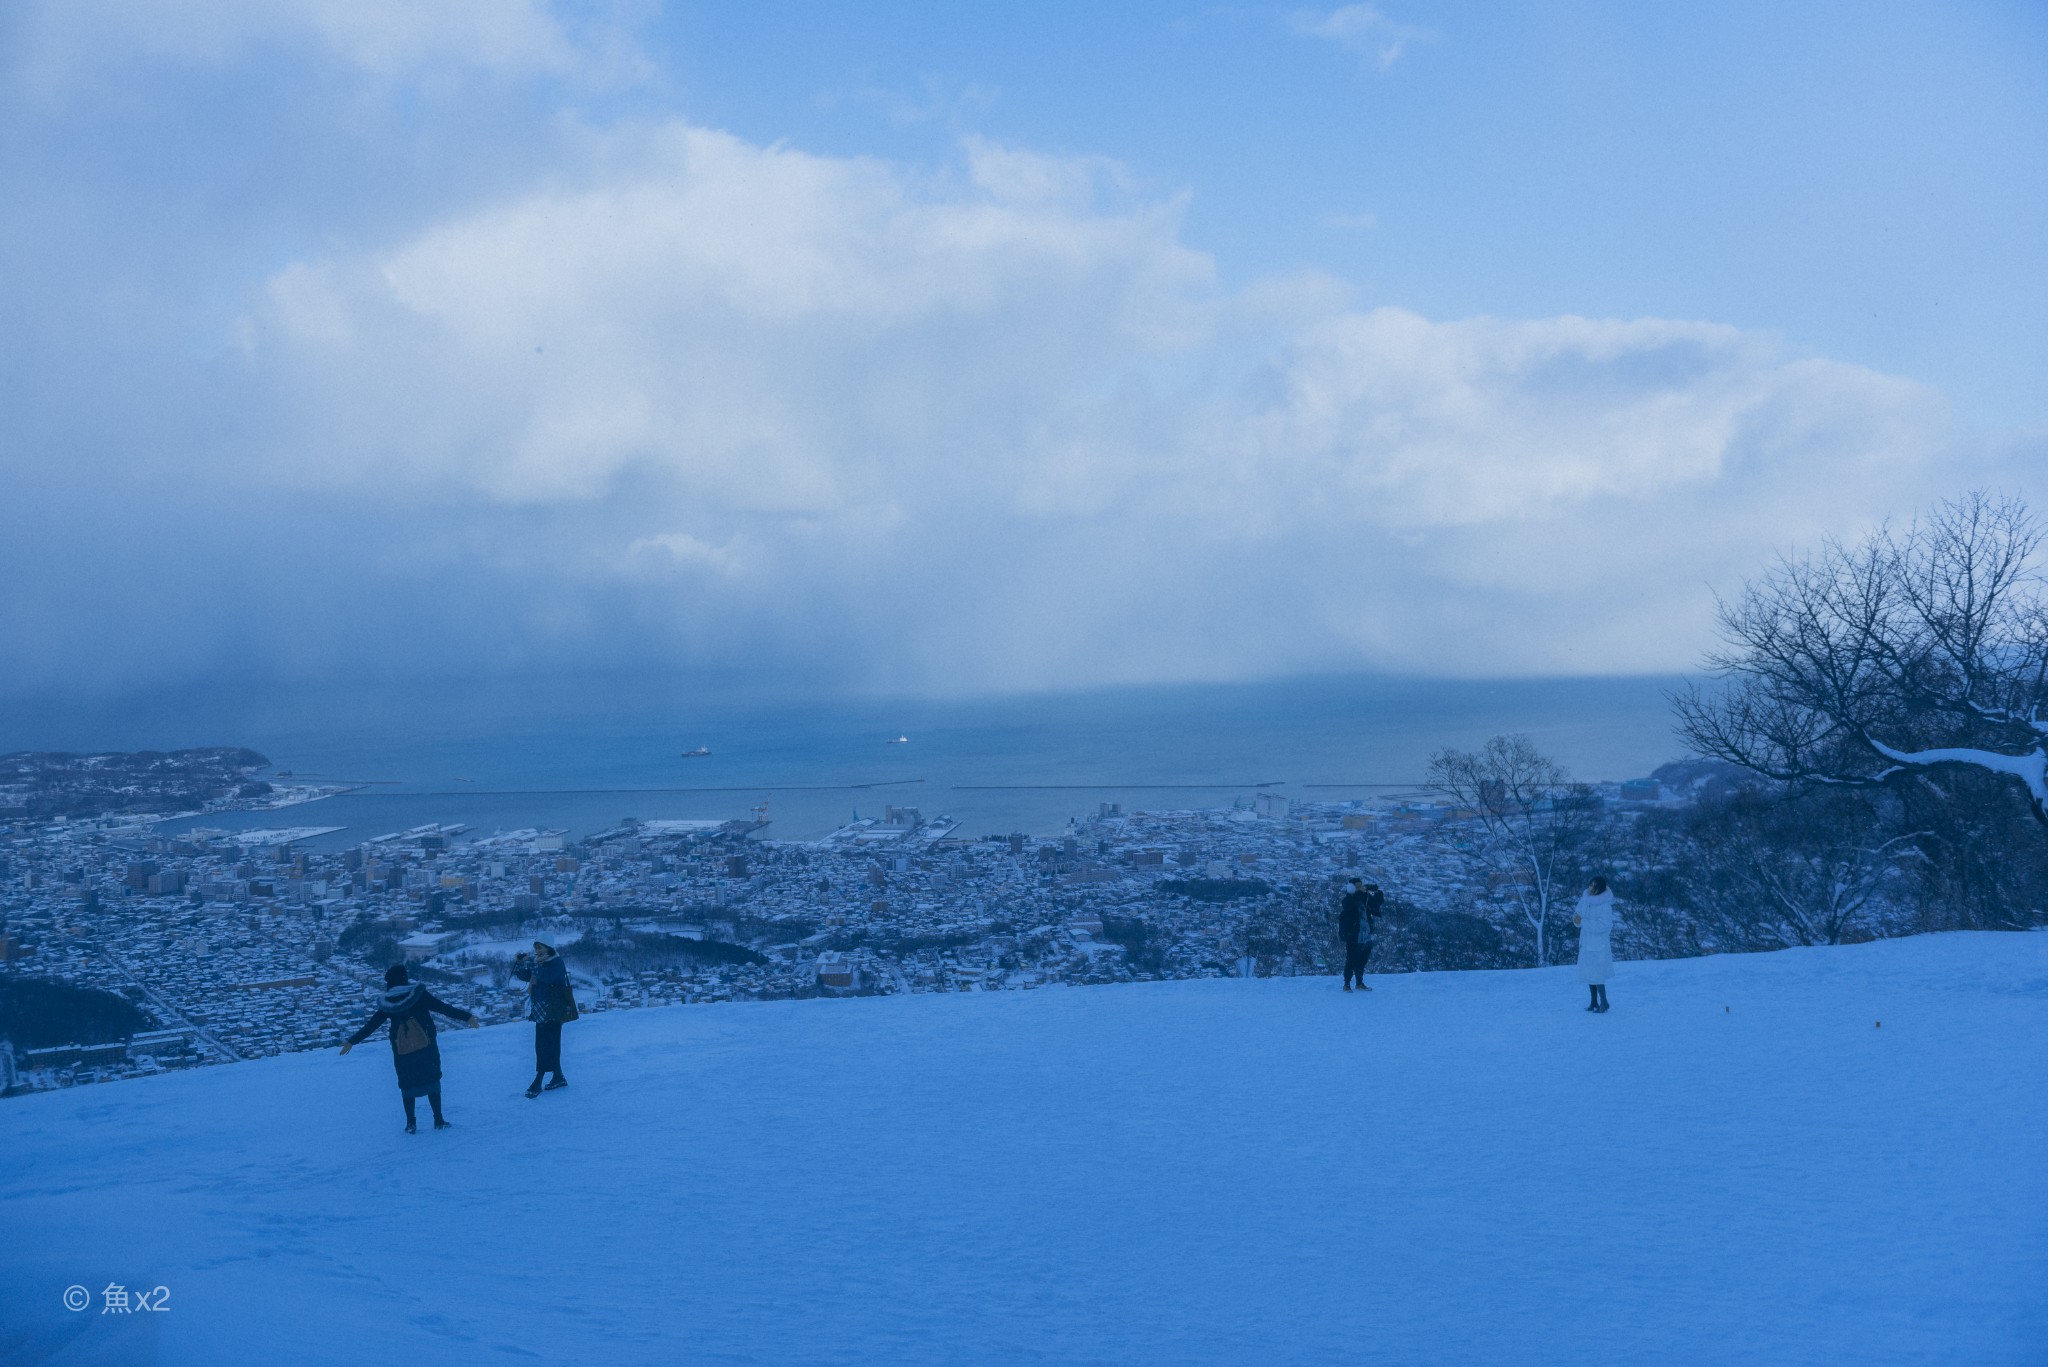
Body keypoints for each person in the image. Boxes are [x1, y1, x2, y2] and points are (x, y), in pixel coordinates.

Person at [341, 962, 481, 1132]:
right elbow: (443, 1008)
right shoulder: (419, 994)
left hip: (402, 1050)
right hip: (426, 1046)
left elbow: (372, 1025)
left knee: (407, 1083)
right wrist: (467, 1017)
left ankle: (411, 1124)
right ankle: (438, 1120)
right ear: (404, 978)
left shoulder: (388, 1002)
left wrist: (352, 1041)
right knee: (432, 1079)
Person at [512, 942, 578, 1098]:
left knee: (547, 1043)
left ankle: (538, 1080)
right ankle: (558, 1076)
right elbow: (525, 976)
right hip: (541, 1008)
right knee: (545, 1043)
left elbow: (547, 977)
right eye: (536, 948)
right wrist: (520, 964)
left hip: (554, 1008)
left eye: (540, 947)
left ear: (549, 947)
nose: (537, 950)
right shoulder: (539, 963)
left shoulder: (556, 962)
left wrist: (530, 963)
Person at [1574, 876, 1617, 1012]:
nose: (1591, 888)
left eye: (1594, 886)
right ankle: (1593, 1002)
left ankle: (1604, 1003)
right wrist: (1576, 920)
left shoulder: (1605, 905)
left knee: (1597, 974)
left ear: (1600, 888)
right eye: (1590, 884)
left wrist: (1582, 922)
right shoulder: (1585, 900)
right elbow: (1577, 915)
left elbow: (1603, 925)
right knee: (1589, 973)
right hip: (1586, 942)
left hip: (1598, 945)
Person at [1338, 877, 1383, 992]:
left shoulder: (1364, 897)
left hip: (1365, 935)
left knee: (1362, 959)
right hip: (1352, 935)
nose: (1359, 888)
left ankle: (1359, 983)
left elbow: (1375, 906)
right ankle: (1346, 984)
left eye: (1360, 885)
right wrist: (1361, 892)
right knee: (1351, 960)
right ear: (1351, 888)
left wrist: (1377, 893)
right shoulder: (1347, 900)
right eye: (1357, 886)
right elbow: (1350, 905)